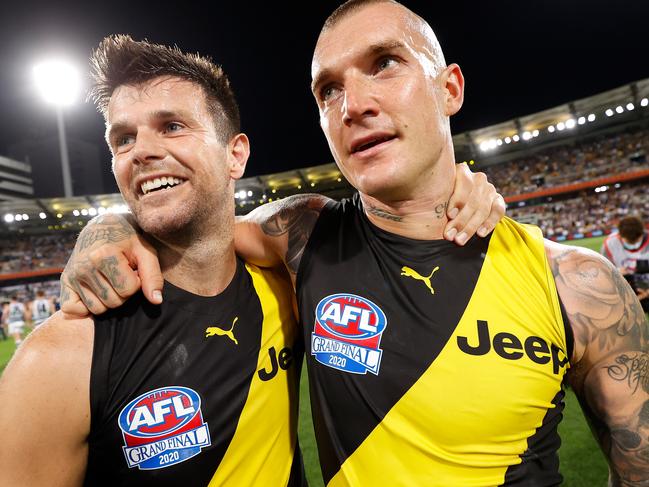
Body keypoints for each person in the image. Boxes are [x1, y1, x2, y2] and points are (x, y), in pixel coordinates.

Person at [61, 3, 642, 486]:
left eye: (385, 64)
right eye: (328, 90)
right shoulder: (304, 236)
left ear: (450, 88)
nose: (353, 105)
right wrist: (105, 227)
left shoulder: (580, 286)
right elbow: (192, 219)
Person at [0, 37, 306, 486]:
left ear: (234, 154)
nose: (140, 151)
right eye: (123, 138)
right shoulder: (60, 357)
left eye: (172, 126)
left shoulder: (288, 282)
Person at [602, 215, 649, 312]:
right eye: (629, 241)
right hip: (627, 290)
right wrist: (616, 272)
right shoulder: (610, 243)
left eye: (636, 240)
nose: (633, 244)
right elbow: (603, 270)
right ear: (620, 235)